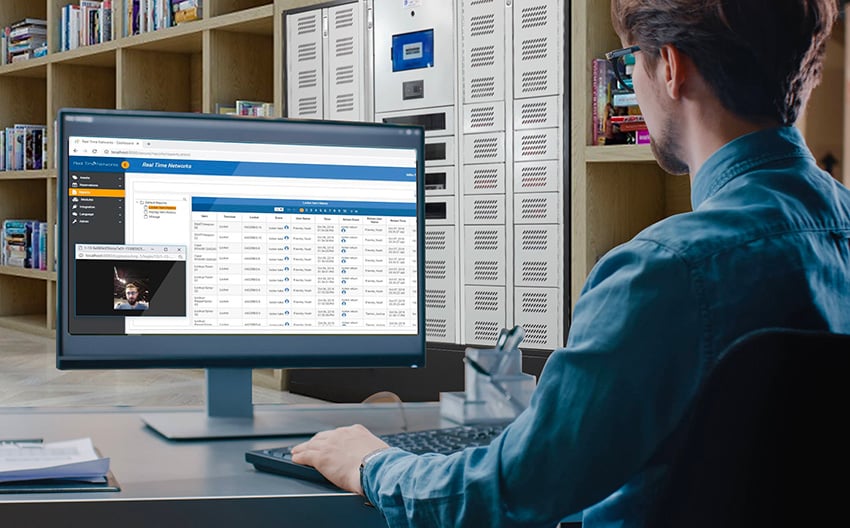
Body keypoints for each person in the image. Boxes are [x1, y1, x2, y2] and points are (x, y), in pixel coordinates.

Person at [291, 1, 850, 526]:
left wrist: (371, 464)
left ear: (672, 69)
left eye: (632, 63)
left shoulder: (665, 271)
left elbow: (509, 495)